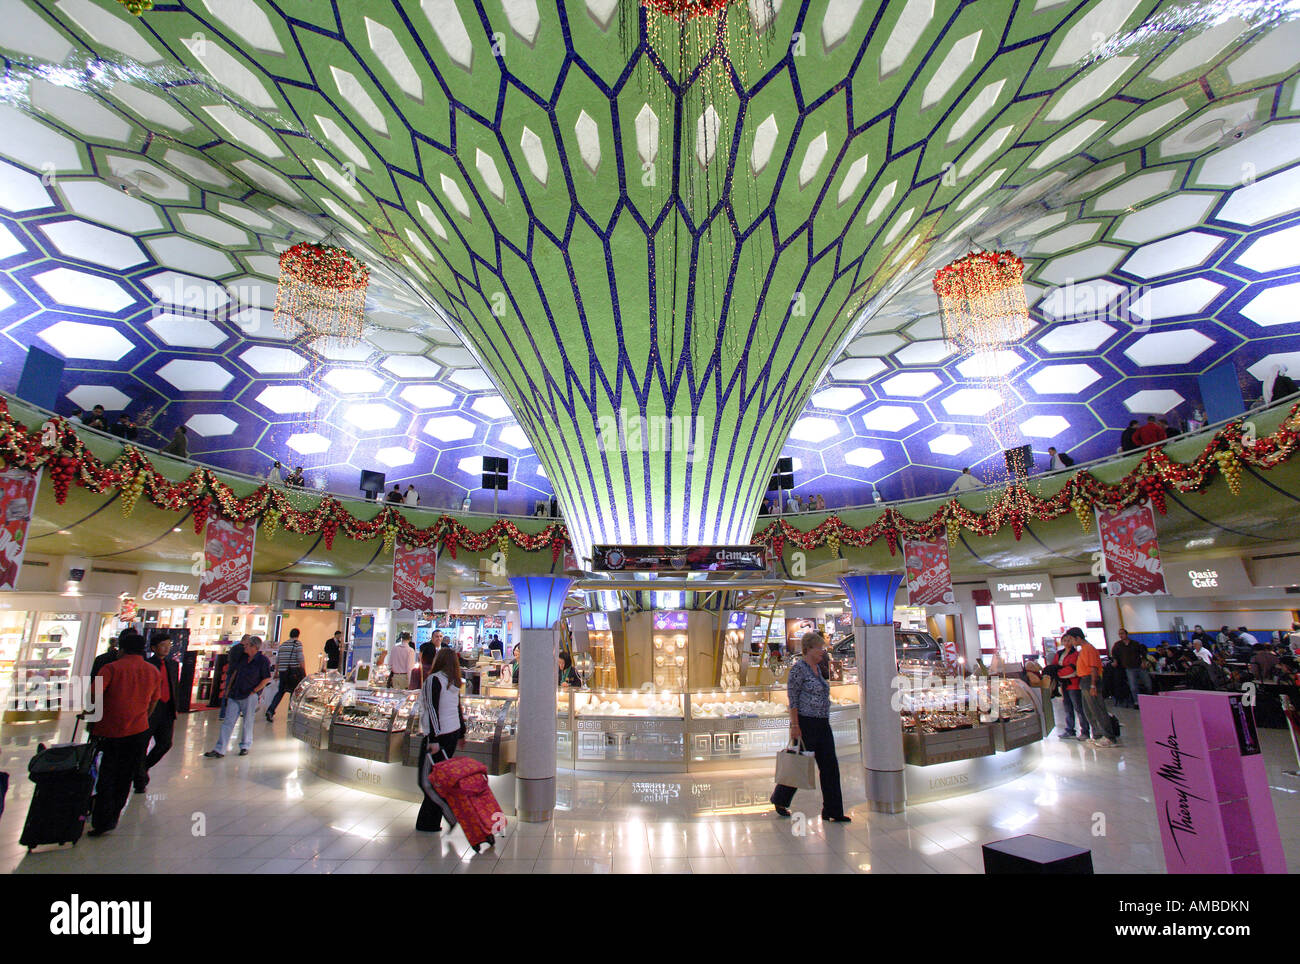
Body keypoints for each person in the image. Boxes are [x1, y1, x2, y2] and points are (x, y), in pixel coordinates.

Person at [87, 630, 161, 837]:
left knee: (107, 773)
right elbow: (154, 701)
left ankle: (101, 819)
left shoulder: (111, 668)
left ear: (122, 649)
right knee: (125, 774)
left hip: (109, 729)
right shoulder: (152, 671)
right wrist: (142, 716)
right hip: (138, 730)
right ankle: (113, 816)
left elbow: (94, 694)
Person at [771, 632, 849, 822]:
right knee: (799, 763)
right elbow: (793, 698)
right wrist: (795, 724)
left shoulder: (818, 669)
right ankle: (780, 798)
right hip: (806, 723)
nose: (822, 651)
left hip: (822, 723)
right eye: (819, 648)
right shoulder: (799, 670)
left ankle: (833, 810)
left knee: (830, 767)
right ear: (809, 649)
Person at [416, 648, 465, 832]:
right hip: (452, 734)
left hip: (438, 737)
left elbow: (432, 710)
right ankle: (428, 822)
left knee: (426, 781)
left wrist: (433, 739)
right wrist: (461, 733)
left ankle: (449, 812)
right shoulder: (454, 683)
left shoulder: (433, 680)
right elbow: (457, 709)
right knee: (437, 779)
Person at [205, 636, 270, 758]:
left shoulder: (262, 660)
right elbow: (235, 672)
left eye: (247, 645)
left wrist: (254, 691)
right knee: (228, 722)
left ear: (254, 647)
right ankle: (220, 749)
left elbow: (266, 678)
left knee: (247, 721)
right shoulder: (243, 657)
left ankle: (245, 746)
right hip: (235, 693)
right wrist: (229, 688)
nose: (244, 646)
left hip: (249, 695)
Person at [134, 631, 179, 793]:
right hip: (150, 708)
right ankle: (139, 780)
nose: (167, 648)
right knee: (142, 744)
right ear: (154, 647)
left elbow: (174, 686)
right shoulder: (147, 665)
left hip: (167, 709)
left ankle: (141, 768)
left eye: (169, 645)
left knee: (165, 743)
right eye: (163, 645)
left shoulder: (172, 665)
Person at [1069, 628, 1117, 747]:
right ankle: (1097, 735)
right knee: (1088, 710)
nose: (1071, 642)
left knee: (1098, 709)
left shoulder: (1089, 649)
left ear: (1078, 638)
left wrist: (1093, 685)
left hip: (1090, 680)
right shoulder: (1083, 650)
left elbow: (1093, 669)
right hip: (1084, 681)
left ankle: (1109, 737)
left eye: (1071, 639)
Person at [265, 627, 304, 721]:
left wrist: (277, 672)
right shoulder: (297, 644)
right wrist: (303, 670)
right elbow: (300, 658)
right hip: (293, 672)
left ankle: (271, 710)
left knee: (280, 691)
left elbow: (278, 659)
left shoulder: (283, 645)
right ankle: (290, 715)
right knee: (294, 693)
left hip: (283, 672)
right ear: (298, 635)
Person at [1110, 629, 1146, 709]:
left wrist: (1143, 662)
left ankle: (1148, 699)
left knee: (1148, 684)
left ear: (1126, 634)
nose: (1120, 635)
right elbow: (1114, 654)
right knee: (1133, 686)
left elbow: (1142, 653)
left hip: (1139, 666)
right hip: (1129, 668)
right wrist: (1115, 661)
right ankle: (1137, 702)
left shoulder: (1135, 643)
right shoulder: (1118, 645)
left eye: (1122, 633)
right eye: (1119, 634)